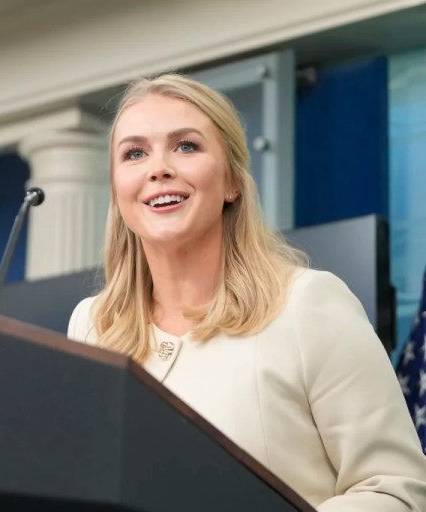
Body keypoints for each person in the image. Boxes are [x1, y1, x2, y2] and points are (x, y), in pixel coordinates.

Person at [67, 73, 426, 511]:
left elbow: (397, 489)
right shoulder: (92, 325)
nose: (158, 168)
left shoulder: (308, 303)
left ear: (232, 183)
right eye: (134, 153)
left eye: (186, 146)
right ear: (118, 191)